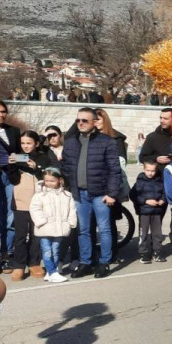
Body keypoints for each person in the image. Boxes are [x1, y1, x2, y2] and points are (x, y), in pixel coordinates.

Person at [60, 108, 121, 278]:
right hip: (79, 194)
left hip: (100, 194)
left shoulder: (107, 141)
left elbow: (114, 170)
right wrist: (67, 186)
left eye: (84, 120)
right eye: (78, 120)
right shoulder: (70, 142)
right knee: (83, 230)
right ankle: (86, 262)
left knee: (104, 229)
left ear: (94, 122)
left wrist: (112, 193)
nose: (80, 123)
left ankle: (104, 262)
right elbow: (65, 166)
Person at [8, 131, 54, 280]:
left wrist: (36, 168)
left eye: (29, 143)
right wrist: (12, 166)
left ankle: (34, 262)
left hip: (39, 202)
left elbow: (48, 178)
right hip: (20, 200)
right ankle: (19, 265)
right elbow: (13, 180)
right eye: (22, 143)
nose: (25, 146)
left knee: (36, 234)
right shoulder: (17, 157)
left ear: (37, 143)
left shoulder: (44, 158)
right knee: (20, 235)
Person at [93, 108, 130, 263]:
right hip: (95, 184)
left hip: (110, 186)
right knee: (93, 222)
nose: (95, 123)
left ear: (105, 120)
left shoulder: (116, 139)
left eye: (98, 120)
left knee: (109, 222)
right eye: (93, 120)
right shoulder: (90, 137)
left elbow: (120, 165)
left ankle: (113, 253)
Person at [30, 167, 76, 283]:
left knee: (56, 250)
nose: (49, 183)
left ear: (60, 180)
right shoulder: (40, 195)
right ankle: (52, 272)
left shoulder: (67, 195)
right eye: (47, 180)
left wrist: (70, 222)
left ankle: (52, 271)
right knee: (47, 250)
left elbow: (72, 210)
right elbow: (34, 209)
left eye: (52, 181)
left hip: (60, 228)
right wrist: (42, 221)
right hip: (45, 228)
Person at [0, 99, 21, 274]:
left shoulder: (13, 131)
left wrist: (17, 158)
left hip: (11, 176)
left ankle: (7, 254)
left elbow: (23, 155)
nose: (1, 115)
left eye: (3, 111)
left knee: (11, 217)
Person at [130, 161, 167, 264]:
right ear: (144, 169)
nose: (150, 173)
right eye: (148, 170)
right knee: (144, 233)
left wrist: (162, 200)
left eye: (153, 171)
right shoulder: (140, 181)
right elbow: (133, 195)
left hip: (157, 211)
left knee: (157, 233)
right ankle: (144, 253)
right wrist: (145, 201)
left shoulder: (159, 180)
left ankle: (157, 252)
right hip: (144, 211)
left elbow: (164, 192)